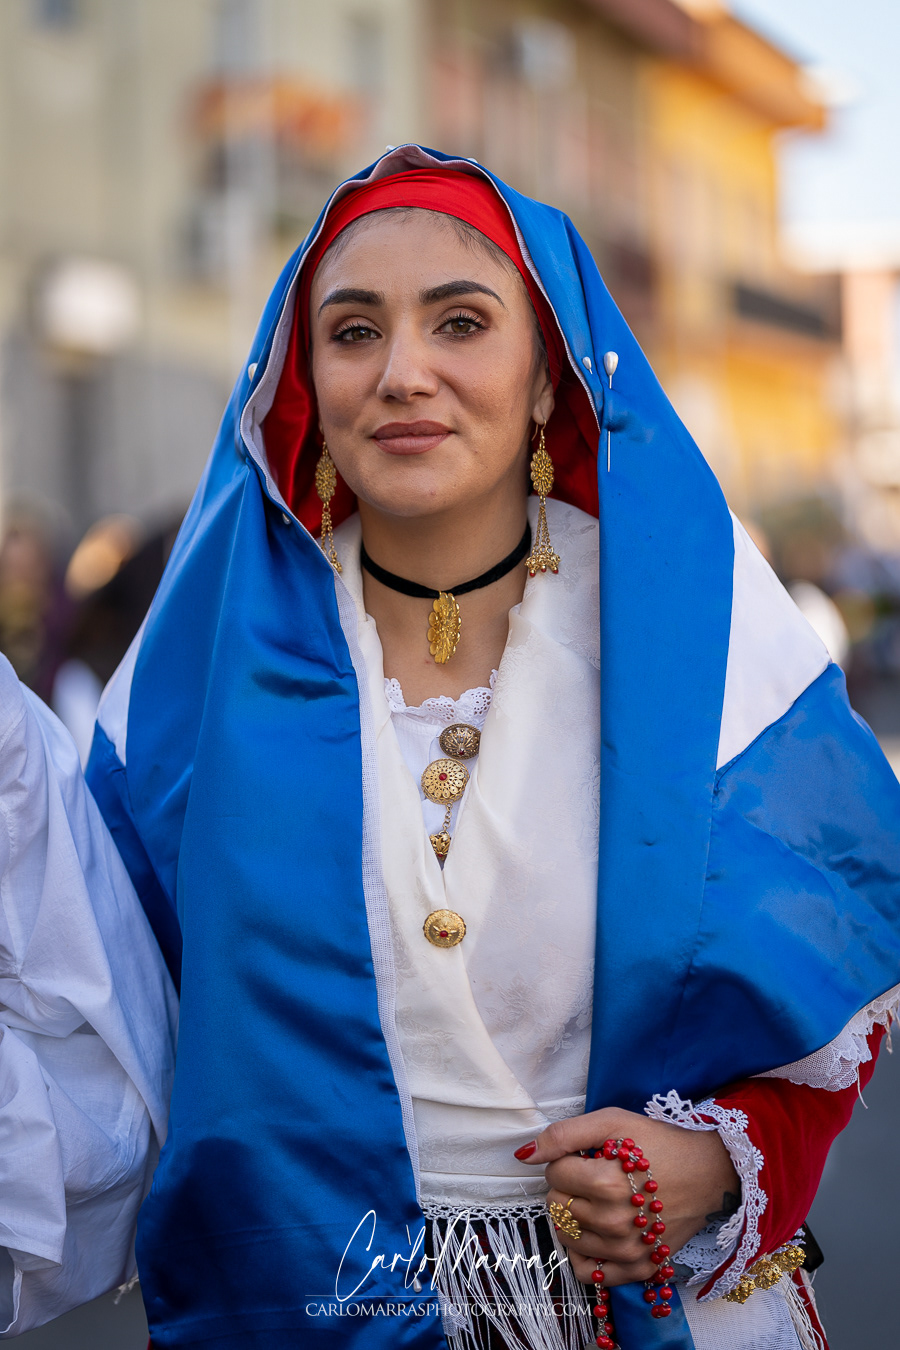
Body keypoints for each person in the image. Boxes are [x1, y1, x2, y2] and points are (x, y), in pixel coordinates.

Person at [1, 145, 899, 1350]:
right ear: (305, 379)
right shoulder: (205, 659)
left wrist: (721, 1169)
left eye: (461, 322)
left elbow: (828, 979)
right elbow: (108, 1012)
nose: (403, 373)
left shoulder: (690, 624)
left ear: (547, 377)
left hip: (659, 1310)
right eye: (354, 332)